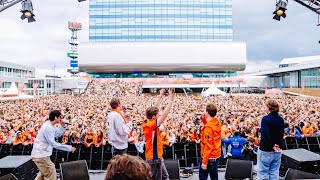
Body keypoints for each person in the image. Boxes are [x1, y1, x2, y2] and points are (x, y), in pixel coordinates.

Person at [31, 110, 76, 180]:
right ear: (56, 117)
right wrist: (69, 148)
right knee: (51, 172)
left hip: (42, 155)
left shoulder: (50, 125)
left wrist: (63, 127)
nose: (61, 119)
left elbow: (56, 134)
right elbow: (53, 143)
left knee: (43, 175)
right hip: (41, 155)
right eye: (60, 117)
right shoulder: (48, 127)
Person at [142, 89, 174, 180]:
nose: (159, 114)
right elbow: (164, 115)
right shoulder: (151, 125)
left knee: (165, 176)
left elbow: (154, 109)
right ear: (153, 117)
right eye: (157, 114)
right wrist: (171, 100)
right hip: (154, 158)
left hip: (156, 156)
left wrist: (160, 96)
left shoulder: (147, 121)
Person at [258, 100, 284, 180]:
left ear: (269, 108)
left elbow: (265, 135)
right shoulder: (281, 119)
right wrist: (276, 145)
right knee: (274, 172)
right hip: (277, 149)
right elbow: (281, 134)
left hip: (266, 149)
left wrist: (272, 145)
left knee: (263, 173)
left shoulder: (265, 119)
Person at [199, 104, 222, 180]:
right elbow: (209, 124)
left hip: (209, 157)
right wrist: (203, 118)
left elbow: (208, 146)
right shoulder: (217, 122)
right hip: (216, 154)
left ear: (207, 113)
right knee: (214, 176)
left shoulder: (208, 128)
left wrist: (204, 162)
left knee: (203, 177)